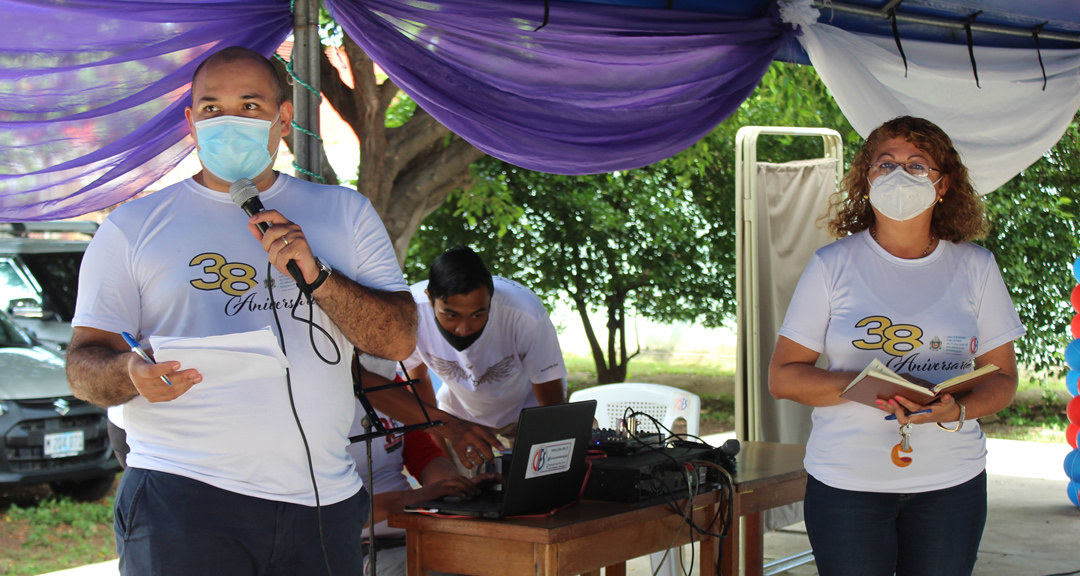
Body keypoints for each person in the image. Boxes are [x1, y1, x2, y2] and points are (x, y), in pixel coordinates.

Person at [64, 46, 417, 576]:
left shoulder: (343, 213)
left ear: (283, 117)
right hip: (184, 501)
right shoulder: (132, 228)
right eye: (211, 108)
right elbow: (81, 369)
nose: (229, 122)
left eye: (249, 106)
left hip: (324, 504)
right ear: (190, 121)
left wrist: (318, 276)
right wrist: (130, 373)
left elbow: (398, 341)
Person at [768, 116, 1025, 576]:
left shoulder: (976, 267)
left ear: (944, 185)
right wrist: (864, 385)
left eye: (917, 165)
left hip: (952, 484)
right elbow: (783, 376)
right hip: (847, 484)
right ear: (866, 180)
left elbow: (1004, 380)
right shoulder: (832, 265)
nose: (899, 175)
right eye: (885, 164)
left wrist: (957, 410)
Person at [368, 245, 567, 472]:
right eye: (451, 315)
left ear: (490, 299)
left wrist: (548, 458)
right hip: (459, 419)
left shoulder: (525, 314)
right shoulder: (411, 313)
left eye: (477, 315)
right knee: (460, 495)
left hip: (527, 418)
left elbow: (552, 404)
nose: (463, 329)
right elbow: (419, 383)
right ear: (430, 299)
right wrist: (444, 460)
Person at [348, 355, 499, 576]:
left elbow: (425, 456)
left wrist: (456, 487)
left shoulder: (394, 382)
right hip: (360, 551)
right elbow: (332, 515)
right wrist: (410, 499)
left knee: (506, 558)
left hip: (415, 534)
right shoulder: (317, 406)